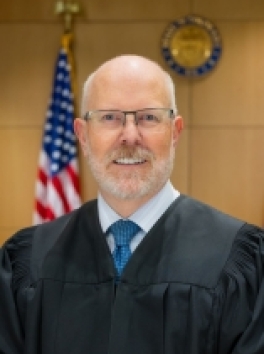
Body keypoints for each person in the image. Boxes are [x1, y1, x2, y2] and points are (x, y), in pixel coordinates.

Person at [0, 55, 264, 354]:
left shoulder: (238, 261)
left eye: (148, 117)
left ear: (175, 132)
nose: (129, 136)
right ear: (83, 136)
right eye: (109, 117)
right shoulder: (28, 260)